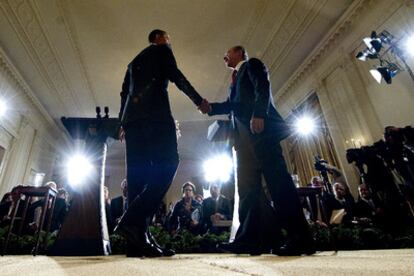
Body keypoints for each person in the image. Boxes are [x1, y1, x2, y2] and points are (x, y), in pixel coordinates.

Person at [203, 46, 314, 255]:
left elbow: (262, 86)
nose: (224, 56)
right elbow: (232, 105)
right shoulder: (233, 83)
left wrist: (259, 114)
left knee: (278, 184)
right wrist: (212, 108)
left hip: (260, 134)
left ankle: (300, 238)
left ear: (239, 53)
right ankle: (249, 240)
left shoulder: (252, 64)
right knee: (247, 191)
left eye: (228, 52)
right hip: (243, 143)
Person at [115, 29, 210, 257]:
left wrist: (121, 123)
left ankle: (137, 242)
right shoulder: (163, 51)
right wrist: (199, 101)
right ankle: (130, 221)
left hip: (132, 123)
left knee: (137, 178)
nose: (170, 43)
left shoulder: (132, 63)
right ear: (160, 39)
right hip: (156, 118)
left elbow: (123, 94)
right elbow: (177, 76)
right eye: (168, 39)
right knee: (169, 163)